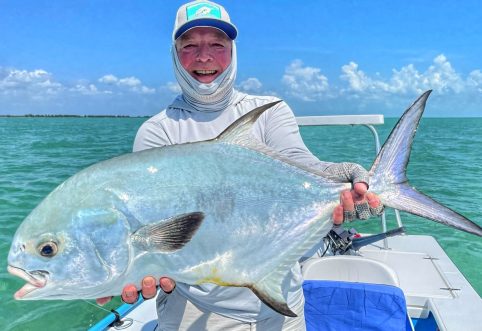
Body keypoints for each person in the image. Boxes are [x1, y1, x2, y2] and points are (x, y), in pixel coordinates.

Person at [97, 1, 383, 329]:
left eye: (217, 44)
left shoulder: (270, 111)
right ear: (174, 54)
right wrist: (123, 268)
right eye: (190, 45)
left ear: (233, 51)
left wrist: (335, 179)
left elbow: (299, 162)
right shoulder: (158, 131)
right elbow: (153, 228)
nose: (204, 57)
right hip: (194, 307)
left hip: (281, 302)